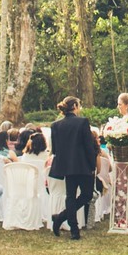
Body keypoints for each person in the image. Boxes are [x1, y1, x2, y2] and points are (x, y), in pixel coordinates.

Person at [49, 96, 98, 240]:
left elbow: (55, 149)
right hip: (83, 165)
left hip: (66, 166)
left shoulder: (55, 125)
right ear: (75, 106)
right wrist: (92, 164)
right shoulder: (82, 122)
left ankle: (65, 222)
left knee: (71, 196)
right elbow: (88, 146)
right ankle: (70, 226)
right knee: (87, 195)